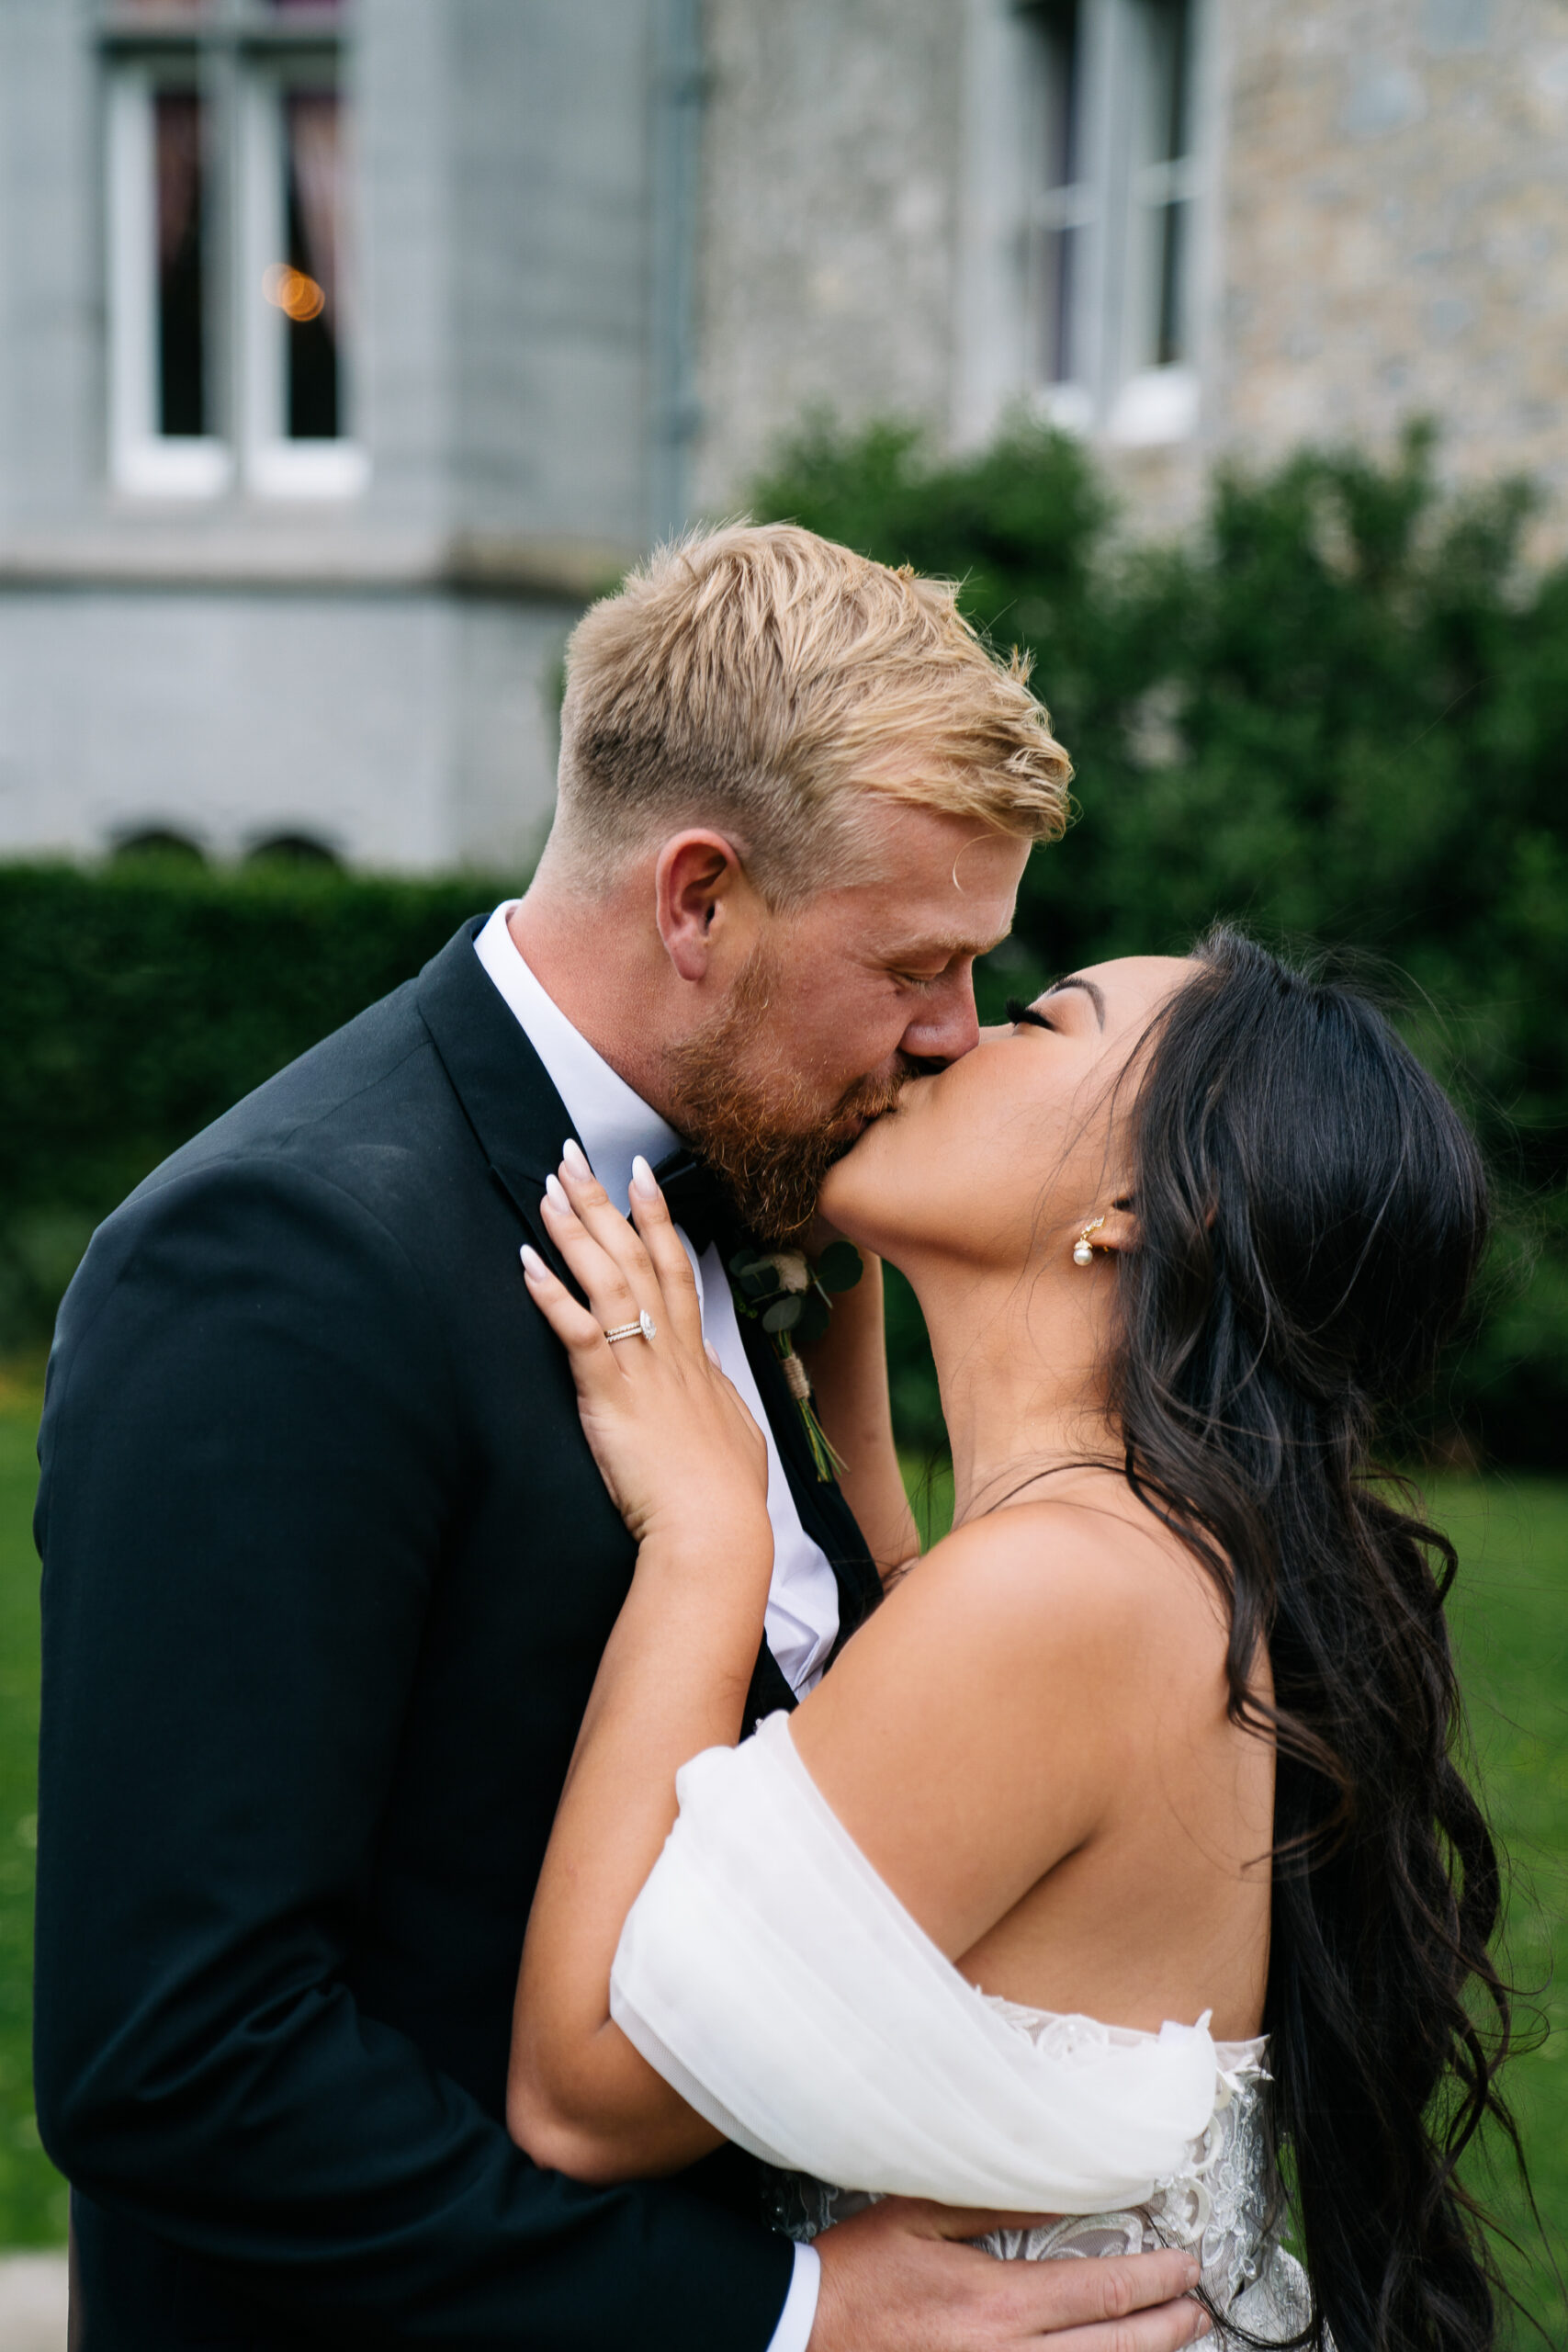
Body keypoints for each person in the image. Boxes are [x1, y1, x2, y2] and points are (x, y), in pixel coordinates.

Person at [34, 524, 1211, 2349]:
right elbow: (178, 2054)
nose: (949, 1034)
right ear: (695, 900)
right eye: (912, 961)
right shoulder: (280, 1268)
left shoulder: (762, 1202)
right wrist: (787, 2309)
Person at [507, 930, 1519, 2352]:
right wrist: (846, 1373)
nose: (947, 1038)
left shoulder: (1063, 1596)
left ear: (1152, 1202)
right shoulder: (1149, 1561)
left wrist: (707, 1545)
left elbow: (581, 2099)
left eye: (1043, 1024)